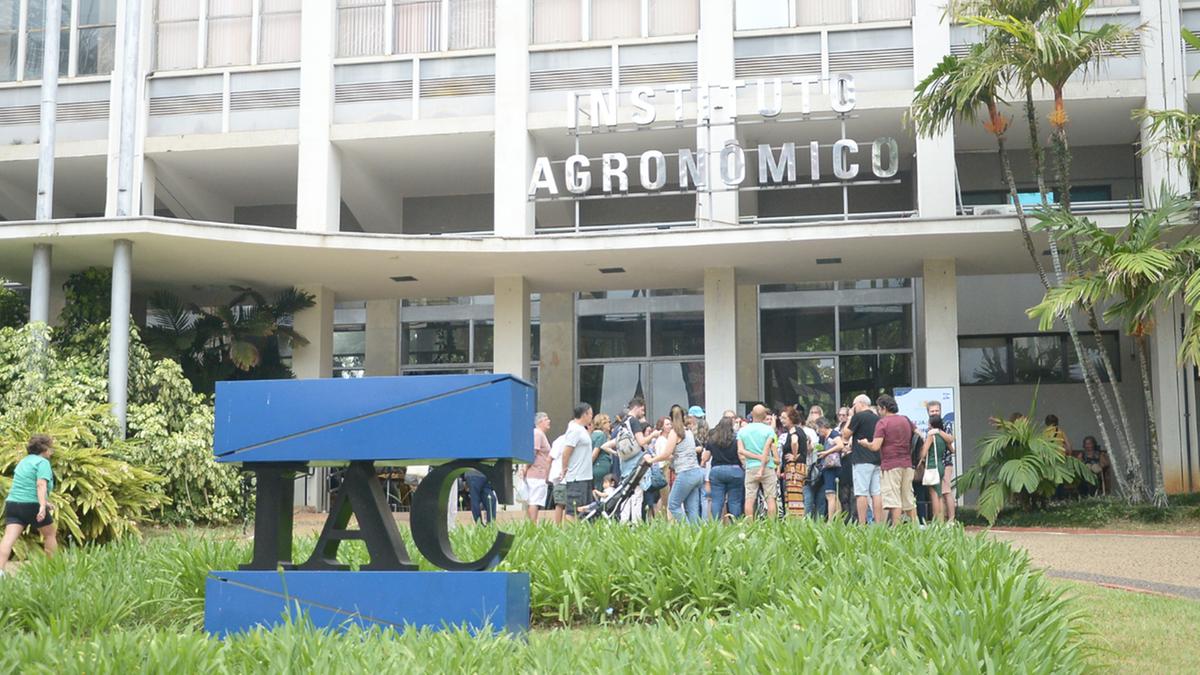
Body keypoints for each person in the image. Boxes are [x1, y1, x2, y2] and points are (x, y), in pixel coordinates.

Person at [1, 434, 58, 576]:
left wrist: (45, 502)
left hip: (13, 504)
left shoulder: (24, 461)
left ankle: (0, 572)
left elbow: (25, 485)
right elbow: (40, 484)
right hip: (31, 505)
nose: (51, 452)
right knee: (50, 534)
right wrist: (41, 507)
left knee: (8, 539)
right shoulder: (42, 462)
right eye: (50, 449)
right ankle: (53, 571)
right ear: (44, 449)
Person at [859, 394, 916, 526]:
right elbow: (917, 435)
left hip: (891, 465)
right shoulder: (905, 420)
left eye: (879, 409)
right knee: (908, 498)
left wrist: (865, 443)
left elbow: (875, 446)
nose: (879, 412)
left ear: (884, 408)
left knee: (893, 500)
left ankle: (896, 529)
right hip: (907, 464)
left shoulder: (883, 423)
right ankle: (915, 528)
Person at [644, 405, 704, 523]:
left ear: (671, 419)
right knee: (692, 510)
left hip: (685, 473)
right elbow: (678, 453)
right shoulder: (688, 432)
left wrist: (652, 460)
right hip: (697, 472)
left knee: (673, 505)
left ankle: (686, 528)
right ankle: (695, 534)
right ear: (684, 417)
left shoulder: (674, 433)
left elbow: (667, 453)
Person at [557, 403, 612, 522]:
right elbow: (566, 451)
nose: (592, 417)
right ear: (585, 414)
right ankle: (570, 534)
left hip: (585, 476)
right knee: (574, 509)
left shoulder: (581, 429)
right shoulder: (575, 430)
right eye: (591, 414)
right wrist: (564, 468)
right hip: (577, 477)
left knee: (584, 508)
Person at [617, 398, 660, 523]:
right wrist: (652, 435)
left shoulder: (623, 422)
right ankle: (636, 524)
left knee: (626, 496)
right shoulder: (634, 421)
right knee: (637, 496)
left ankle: (623, 523)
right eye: (642, 409)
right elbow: (641, 441)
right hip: (636, 466)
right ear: (637, 407)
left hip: (625, 465)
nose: (643, 412)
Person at [842, 394, 882, 525]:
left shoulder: (858, 417)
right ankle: (878, 523)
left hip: (861, 460)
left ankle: (862, 523)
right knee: (876, 493)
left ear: (860, 403)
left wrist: (850, 417)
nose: (853, 407)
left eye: (854, 405)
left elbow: (845, 435)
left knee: (861, 493)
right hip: (876, 459)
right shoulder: (877, 418)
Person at [738, 404, 779, 520]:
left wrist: (755, 457)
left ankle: (750, 525)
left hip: (751, 466)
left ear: (751, 414)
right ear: (765, 415)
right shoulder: (769, 430)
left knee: (749, 499)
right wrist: (762, 457)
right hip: (768, 466)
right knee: (770, 498)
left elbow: (740, 451)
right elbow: (769, 448)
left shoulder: (743, 431)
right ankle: (771, 526)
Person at [703, 415, 744, 520]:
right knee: (734, 501)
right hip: (735, 470)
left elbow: (706, 458)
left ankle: (715, 524)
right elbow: (741, 454)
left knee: (717, 500)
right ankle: (735, 524)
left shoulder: (712, 439)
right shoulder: (736, 438)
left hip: (717, 470)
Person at [925, 401, 957, 523]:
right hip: (932, 465)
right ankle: (940, 520)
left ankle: (951, 520)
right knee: (936, 493)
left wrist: (938, 431)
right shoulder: (928, 426)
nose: (934, 413)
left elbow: (950, 439)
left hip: (945, 462)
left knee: (945, 490)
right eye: (932, 411)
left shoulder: (946, 424)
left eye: (936, 411)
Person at [918, 414, 953, 523]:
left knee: (934, 494)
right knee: (940, 494)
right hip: (941, 465)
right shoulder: (943, 436)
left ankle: (937, 519)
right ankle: (941, 520)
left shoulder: (931, 435)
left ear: (931, 424)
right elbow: (952, 449)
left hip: (932, 466)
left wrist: (920, 453)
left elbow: (924, 452)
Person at [520, 412, 553, 522]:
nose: (549, 421)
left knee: (534, 500)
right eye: (546, 419)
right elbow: (533, 452)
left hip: (539, 473)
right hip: (536, 473)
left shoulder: (540, 434)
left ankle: (532, 523)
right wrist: (525, 468)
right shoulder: (537, 433)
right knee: (534, 501)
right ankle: (532, 525)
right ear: (540, 421)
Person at [779, 407, 808, 518]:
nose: (782, 420)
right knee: (793, 495)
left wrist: (794, 456)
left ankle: (796, 519)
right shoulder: (798, 430)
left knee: (794, 496)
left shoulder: (794, 431)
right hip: (797, 467)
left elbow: (794, 442)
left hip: (794, 467)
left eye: (784, 418)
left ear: (791, 418)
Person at [814, 419, 845, 521]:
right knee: (834, 495)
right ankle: (839, 518)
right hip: (826, 467)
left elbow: (840, 445)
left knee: (830, 494)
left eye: (818, 429)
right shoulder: (823, 438)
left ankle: (831, 520)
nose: (818, 431)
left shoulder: (833, 434)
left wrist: (826, 452)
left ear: (823, 426)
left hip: (832, 467)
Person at [834, 406, 855, 523]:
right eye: (839, 415)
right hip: (842, 472)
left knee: (853, 497)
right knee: (843, 498)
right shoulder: (837, 441)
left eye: (844, 415)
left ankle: (854, 519)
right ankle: (845, 519)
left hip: (851, 470)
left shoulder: (853, 440)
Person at [590, 413, 615, 490]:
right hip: (600, 466)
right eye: (608, 422)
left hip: (595, 467)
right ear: (603, 423)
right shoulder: (601, 435)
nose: (610, 424)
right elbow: (595, 453)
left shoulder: (592, 435)